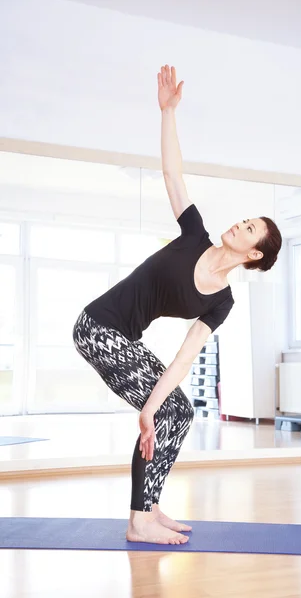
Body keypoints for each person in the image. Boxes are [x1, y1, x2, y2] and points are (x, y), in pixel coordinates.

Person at [72, 65, 282, 546]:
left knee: (177, 412)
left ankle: (149, 506)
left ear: (253, 255)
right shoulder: (194, 236)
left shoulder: (222, 301)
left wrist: (153, 404)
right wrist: (168, 112)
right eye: (245, 219)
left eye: (250, 230)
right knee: (166, 411)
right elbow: (172, 174)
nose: (240, 225)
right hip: (97, 325)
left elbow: (186, 356)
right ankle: (138, 519)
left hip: (120, 336)